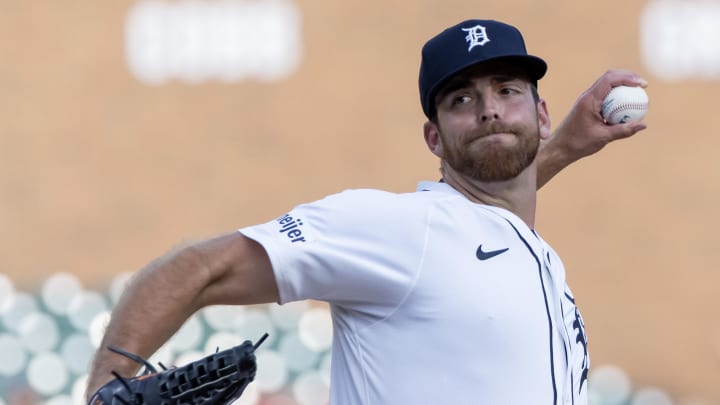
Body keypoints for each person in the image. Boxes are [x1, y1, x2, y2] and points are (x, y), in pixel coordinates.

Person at [86, 19, 647, 404]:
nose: (489, 112)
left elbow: (492, 215)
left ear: (544, 115)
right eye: (462, 100)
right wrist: (105, 387)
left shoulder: (527, 254)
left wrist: (567, 148)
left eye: (506, 91)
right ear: (433, 137)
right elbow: (198, 268)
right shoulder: (400, 230)